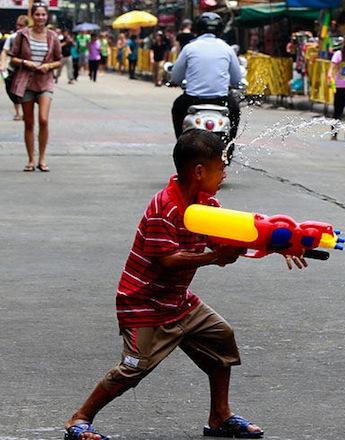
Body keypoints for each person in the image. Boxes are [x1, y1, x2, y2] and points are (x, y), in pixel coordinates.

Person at [63, 129, 308, 440]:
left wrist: (279, 244)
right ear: (199, 171)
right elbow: (165, 259)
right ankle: (80, 418)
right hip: (143, 302)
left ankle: (220, 416)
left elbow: (237, 236)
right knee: (134, 367)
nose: (225, 173)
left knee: (220, 339)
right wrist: (213, 258)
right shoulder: (164, 206)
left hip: (177, 300)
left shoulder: (206, 205)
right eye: (221, 167)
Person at [171, 13, 242, 141]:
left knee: (177, 107)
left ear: (198, 28)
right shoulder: (227, 49)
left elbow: (175, 77)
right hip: (221, 100)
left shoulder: (189, 48)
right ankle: (229, 149)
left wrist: (175, 82)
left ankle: (180, 148)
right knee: (235, 109)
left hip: (192, 100)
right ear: (220, 29)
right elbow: (237, 79)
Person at [9, 2, 62, 172]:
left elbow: (59, 60)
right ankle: (31, 159)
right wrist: (27, 62)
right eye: (37, 14)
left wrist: (49, 66)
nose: (40, 18)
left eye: (43, 15)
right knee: (29, 122)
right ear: (32, 16)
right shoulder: (22, 34)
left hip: (45, 80)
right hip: (26, 82)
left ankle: (42, 158)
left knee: (44, 120)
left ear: (47, 16)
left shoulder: (53, 36)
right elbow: (13, 57)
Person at [328, 32, 345, 141]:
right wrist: (330, 76)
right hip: (340, 86)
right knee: (337, 111)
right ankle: (334, 133)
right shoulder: (339, 54)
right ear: (344, 43)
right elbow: (332, 68)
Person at [0, 15, 28, 121]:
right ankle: (17, 113)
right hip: (12, 68)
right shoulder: (12, 37)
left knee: (25, 92)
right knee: (11, 90)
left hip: (25, 69)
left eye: (21, 25)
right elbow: (4, 51)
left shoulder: (30, 38)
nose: (18, 27)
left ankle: (25, 112)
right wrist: (2, 64)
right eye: (17, 25)